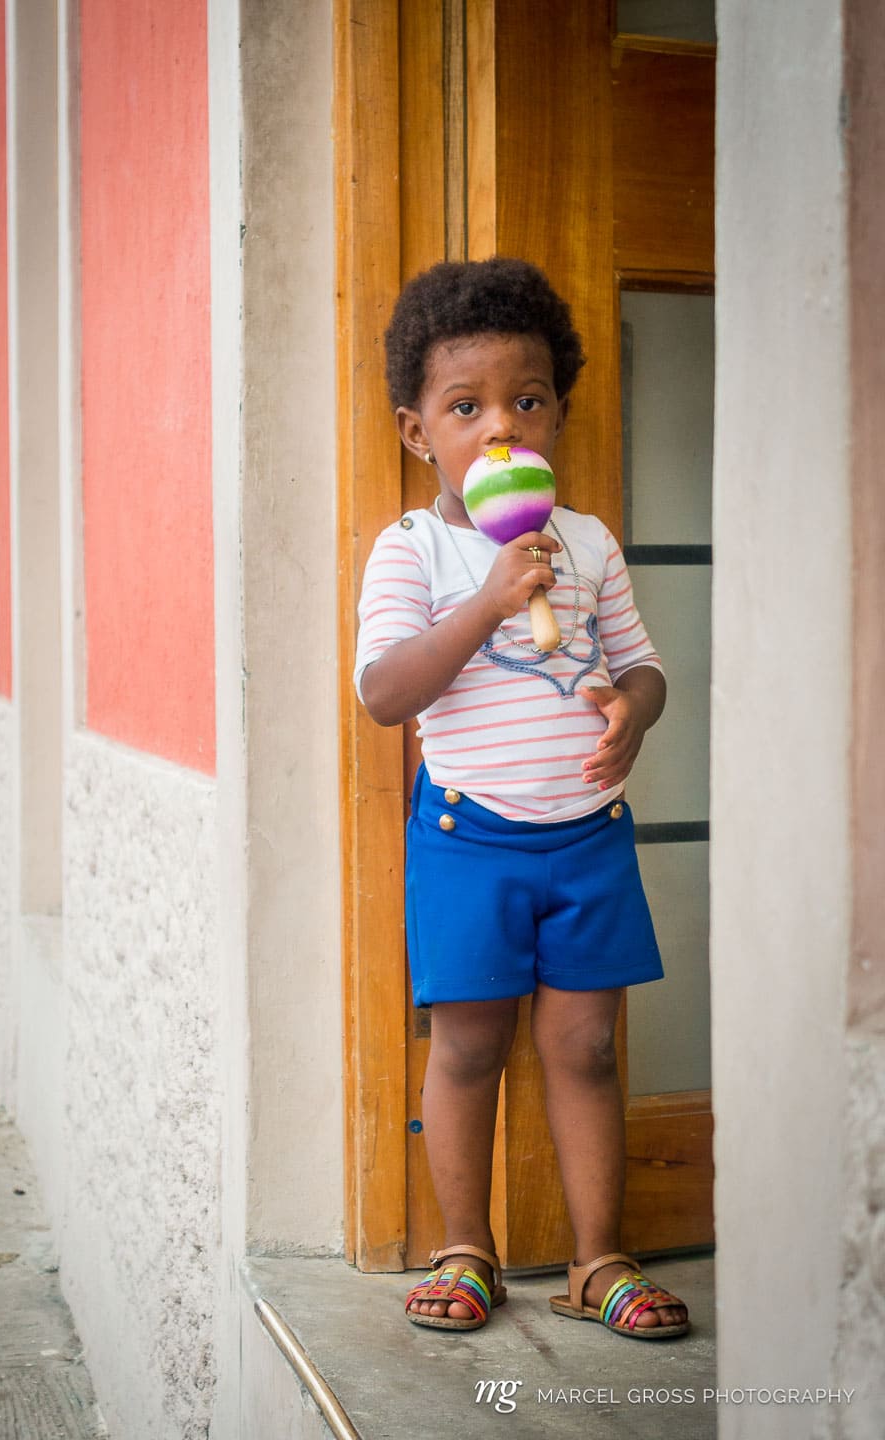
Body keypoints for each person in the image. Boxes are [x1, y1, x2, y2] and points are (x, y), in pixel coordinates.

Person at [353, 257, 689, 1340]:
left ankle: (599, 1261)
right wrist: (489, 600)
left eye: (528, 401)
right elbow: (385, 693)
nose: (502, 426)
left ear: (558, 414)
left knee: (587, 1048)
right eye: (467, 408)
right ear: (419, 433)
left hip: (588, 838)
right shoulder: (412, 549)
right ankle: (467, 1248)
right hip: (471, 841)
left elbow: (643, 666)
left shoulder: (586, 542)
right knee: (468, 1047)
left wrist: (633, 710)